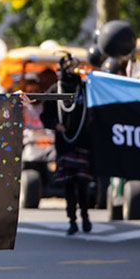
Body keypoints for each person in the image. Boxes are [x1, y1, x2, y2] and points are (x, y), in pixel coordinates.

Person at [40, 56, 92, 236]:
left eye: (74, 68)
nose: (72, 71)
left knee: (83, 182)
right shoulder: (55, 90)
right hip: (64, 144)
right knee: (69, 185)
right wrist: (56, 125)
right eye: (68, 68)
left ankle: (85, 217)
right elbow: (45, 116)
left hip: (83, 142)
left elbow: (95, 111)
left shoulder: (85, 89)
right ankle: (72, 220)